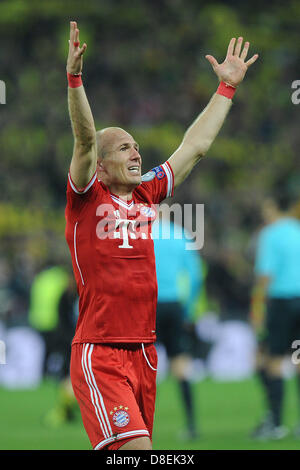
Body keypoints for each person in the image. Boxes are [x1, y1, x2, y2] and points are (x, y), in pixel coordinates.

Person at [65, 20, 258, 450]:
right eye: (123, 148)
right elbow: (83, 140)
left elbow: (196, 146)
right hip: (102, 352)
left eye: (137, 146)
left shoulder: (147, 195)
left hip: (146, 352)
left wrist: (226, 90)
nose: (137, 152)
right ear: (101, 163)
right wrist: (75, 80)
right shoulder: (86, 200)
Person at [250, 195, 300, 439]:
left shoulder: (270, 234)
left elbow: (264, 277)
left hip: (281, 302)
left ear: (274, 207)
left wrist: (256, 310)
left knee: (274, 361)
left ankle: (277, 424)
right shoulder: (298, 231)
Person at [153, 218, 202, 440]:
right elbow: (195, 276)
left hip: (145, 305)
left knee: (137, 366)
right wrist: (188, 308)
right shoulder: (179, 233)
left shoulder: (137, 232)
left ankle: (132, 428)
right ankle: (191, 425)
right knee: (181, 365)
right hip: (174, 306)